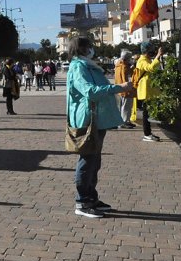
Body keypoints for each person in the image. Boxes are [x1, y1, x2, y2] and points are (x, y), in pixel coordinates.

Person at [66, 36, 133, 218]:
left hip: (98, 119)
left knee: (94, 161)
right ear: (82, 49)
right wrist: (117, 87)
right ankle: (82, 201)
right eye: (89, 47)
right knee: (87, 160)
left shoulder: (89, 65)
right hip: (88, 119)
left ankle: (91, 197)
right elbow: (89, 91)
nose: (92, 49)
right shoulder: (78, 67)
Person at [134, 41, 164, 142]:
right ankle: (147, 134)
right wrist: (158, 55)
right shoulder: (142, 61)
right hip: (145, 91)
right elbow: (150, 68)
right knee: (146, 113)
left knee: (148, 112)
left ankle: (149, 133)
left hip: (149, 91)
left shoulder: (147, 59)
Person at [114, 50, 136, 129]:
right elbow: (125, 77)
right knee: (126, 106)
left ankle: (124, 121)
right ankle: (125, 122)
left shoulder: (117, 65)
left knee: (121, 106)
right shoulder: (124, 66)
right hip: (125, 89)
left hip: (118, 87)